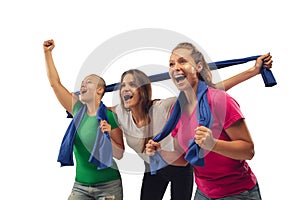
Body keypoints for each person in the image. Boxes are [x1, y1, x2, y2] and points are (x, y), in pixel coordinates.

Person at [113, 48, 272, 200]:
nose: (126, 89)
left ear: (144, 89)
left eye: (133, 84)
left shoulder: (164, 107)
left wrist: (253, 71)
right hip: (183, 174)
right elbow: (95, 105)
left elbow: (210, 91)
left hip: (223, 185)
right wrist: (158, 151)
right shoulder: (121, 113)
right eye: (123, 85)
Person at [43, 39, 124, 200]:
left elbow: (120, 154)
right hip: (80, 187)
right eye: (81, 83)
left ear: (100, 90)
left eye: (88, 82)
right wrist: (47, 54)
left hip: (108, 186)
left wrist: (107, 136)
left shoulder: (110, 117)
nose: (82, 85)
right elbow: (55, 84)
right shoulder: (77, 110)